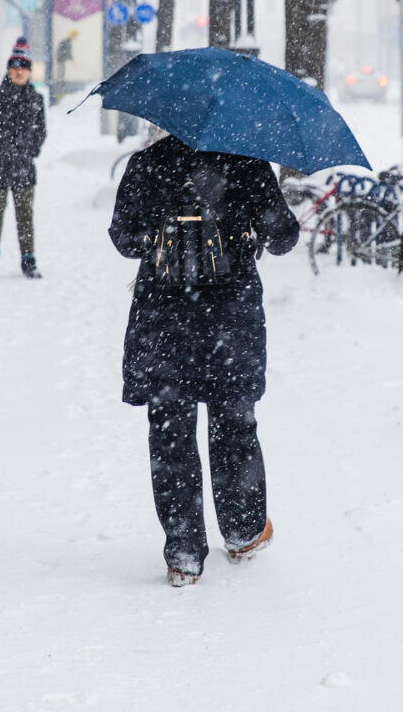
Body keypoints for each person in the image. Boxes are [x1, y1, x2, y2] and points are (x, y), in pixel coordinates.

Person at [107, 134, 299, 586]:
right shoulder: (247, 162)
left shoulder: (147, 163)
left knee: (171, 431)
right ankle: (243, 531)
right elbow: (283, 236)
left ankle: (183, 553)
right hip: (228, 317)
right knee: (234, 422)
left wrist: (165, 227)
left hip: (164, 314)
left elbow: (124, 239)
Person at [0, 38, 46, 278]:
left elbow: (40, 131)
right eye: (15, 67)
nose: (19, 72)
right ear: (8, 69)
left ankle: (28, 259)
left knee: (25, 215)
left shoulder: (36, 99)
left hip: (24, 166)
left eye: (23, 67)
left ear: (29, 71)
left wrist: (30, 150)